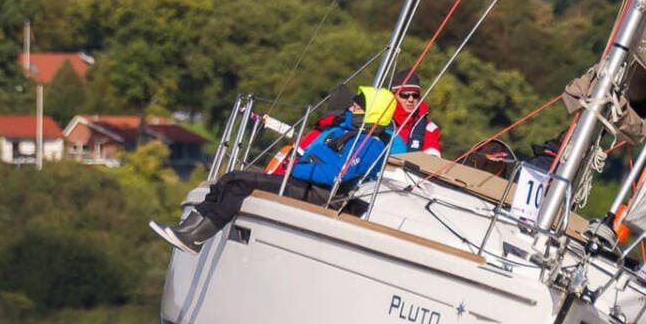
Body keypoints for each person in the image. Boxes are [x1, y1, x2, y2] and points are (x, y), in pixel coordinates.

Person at [150, 86, 406, 254]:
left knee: (240, 184)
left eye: (357, 106)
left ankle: (197, 239)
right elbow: (321, 160)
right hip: (306, 183)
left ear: (371, 112)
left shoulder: (371, 143)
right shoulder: (346, 132)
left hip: (320, 193)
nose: (351, 108)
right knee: (229, 178)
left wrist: (305, 166)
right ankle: (188, 230)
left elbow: (335, 175)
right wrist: (311, 163)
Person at [390, 68, 442, 157]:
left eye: (415, 95)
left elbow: (432, 160)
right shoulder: (381, 121)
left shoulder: (430, 128)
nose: (411, 99)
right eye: (404, 95)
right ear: (393, 95)